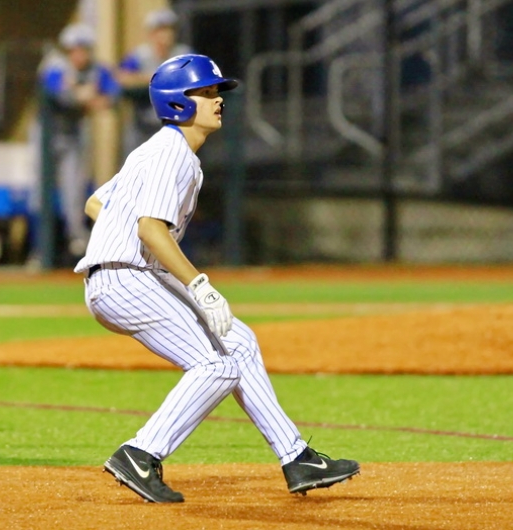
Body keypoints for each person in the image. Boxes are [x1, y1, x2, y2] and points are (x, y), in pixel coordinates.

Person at [76, 54, 360, 503]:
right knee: (216, 365)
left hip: (130, 275)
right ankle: (140, 453)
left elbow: (97, 202)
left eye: (216, 92)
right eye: (205, 93)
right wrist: (198, 284)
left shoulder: (161, 150)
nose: (217, 100)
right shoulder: (172, 153)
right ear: (177, 105)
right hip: (125, 280)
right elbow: (151, 228)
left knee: (239, 342)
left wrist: (122, 229)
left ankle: (296, 457)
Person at [32, 22, 120, 260]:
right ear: (67, 49)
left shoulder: (95, 69)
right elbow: (58, 92)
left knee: (75, 194)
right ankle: (39, 250)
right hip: (46, 135)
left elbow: (114, 91)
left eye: (84, 48)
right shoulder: (55, 65)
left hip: (73, 135)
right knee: (40, 194)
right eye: (75, 48)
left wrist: (89, 96)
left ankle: (76, 250)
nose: (80, 53)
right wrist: (85, 96)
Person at [116, 8, 193, 156]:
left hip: (177, 128)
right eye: (161, 29)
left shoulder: (183, 54)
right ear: (152, 33)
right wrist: (150, 78)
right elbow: (121, 78)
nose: (166, 34)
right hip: (143, 126)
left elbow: (197, 78)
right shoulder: (140, 55)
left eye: (169, 29)